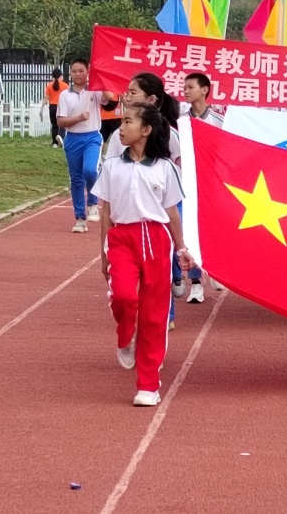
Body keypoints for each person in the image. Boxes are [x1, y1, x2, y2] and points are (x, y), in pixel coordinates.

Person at [92, 103, 193, 407]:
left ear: (146, 130)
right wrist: (103, 254)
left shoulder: (165, 168)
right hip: (122, 238)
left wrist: (181, 247)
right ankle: (125, 336)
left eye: (127, 122)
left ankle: (147, 385)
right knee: (124, 297)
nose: (121, 128)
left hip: (156, 241)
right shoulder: (112, 167)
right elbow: (107, 211)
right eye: (121, 122)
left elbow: (172, 212)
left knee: (154, 314)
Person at [56, 59, 117, 232]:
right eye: (74, 71)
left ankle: (92, 202)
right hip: (72, 139)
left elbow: (109, 97)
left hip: (92, 138)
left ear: (87, 72)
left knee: (90, 170)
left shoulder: (94, 91)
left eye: (81, 70)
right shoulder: (65, 95)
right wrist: (78, 118)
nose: (77, 74)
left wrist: (100, 76)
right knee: (76, 179)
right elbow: (61, 120)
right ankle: (80, 219)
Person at [182, 72, 225, 303]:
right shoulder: (181, 122)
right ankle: (196, 283)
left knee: (213, 229)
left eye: (190, 87)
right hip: (189, 184)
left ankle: (215, 269)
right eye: (184, 87)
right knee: (191, 231)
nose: (186, 91)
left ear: (205, 90)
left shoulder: (219, 121)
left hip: (213, 185)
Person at [42, 68, 68, 148]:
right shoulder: (65, 86)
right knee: (63, 125)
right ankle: (60, 136)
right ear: (61, 75)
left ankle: (54, 143)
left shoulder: (49, 85)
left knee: (54, 125)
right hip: (61, 106)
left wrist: (42, 107)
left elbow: (46, 97)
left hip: (52, 107)